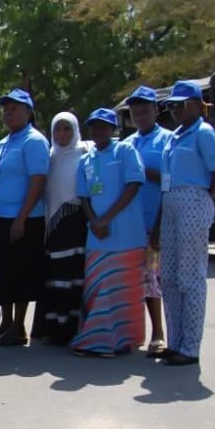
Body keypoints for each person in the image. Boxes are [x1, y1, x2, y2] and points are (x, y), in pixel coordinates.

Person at [156, 80, 215, 366]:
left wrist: (200, 200)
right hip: (170, 202)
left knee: (191, 277)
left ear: (197, 105)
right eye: (171, 105)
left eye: (180, 104)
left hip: (193, 200)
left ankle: (190, 347)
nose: (175, 110)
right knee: (169, 278)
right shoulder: (174, 137)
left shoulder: (203, 133)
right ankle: (175, 342)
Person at [70, 108, 147, 357]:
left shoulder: (125, 151)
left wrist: (106, 218)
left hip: (126, 236)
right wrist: (95, 221)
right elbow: (84, 197)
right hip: (97, 236)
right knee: (98, 289)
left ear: (113, 129)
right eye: (94, 126)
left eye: (103, 126)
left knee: (123, 292)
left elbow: (133, 185)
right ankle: (98, 340)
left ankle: (121, 341)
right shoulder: (86, 160)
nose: (98, 130)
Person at [0, 89, 50, 347]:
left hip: (23, 218)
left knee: (20, 272)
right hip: (0, 217)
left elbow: (38, 180)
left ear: (28, 112)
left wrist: (21, 217)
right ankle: (6, 323)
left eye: (15, 108)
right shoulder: (4, 142)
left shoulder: (33, 140)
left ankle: (19, 327)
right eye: (6, 109)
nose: (9, 113)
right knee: (2, 272)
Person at [123, 85, 174, 357]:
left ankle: (159, 333)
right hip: (130, 225)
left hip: (157, 222)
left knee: (156, 280)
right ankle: (134, 331)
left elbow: (170, 181)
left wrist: (142, 171)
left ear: (155, 110)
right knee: (137, 281)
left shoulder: (167, 140)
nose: (140, 115)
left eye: (144, 110)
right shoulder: (127, 144)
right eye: (135, 112)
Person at [31, 112, 90, 345]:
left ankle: (72, 328)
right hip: (53, 223)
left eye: (67, 129)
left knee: (73, 276)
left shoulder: (85, 153)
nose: (62, 134)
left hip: (76, 220)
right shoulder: (50, 157)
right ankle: (54, 328)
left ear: (75, 130)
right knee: (55, 275)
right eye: (58, 129)